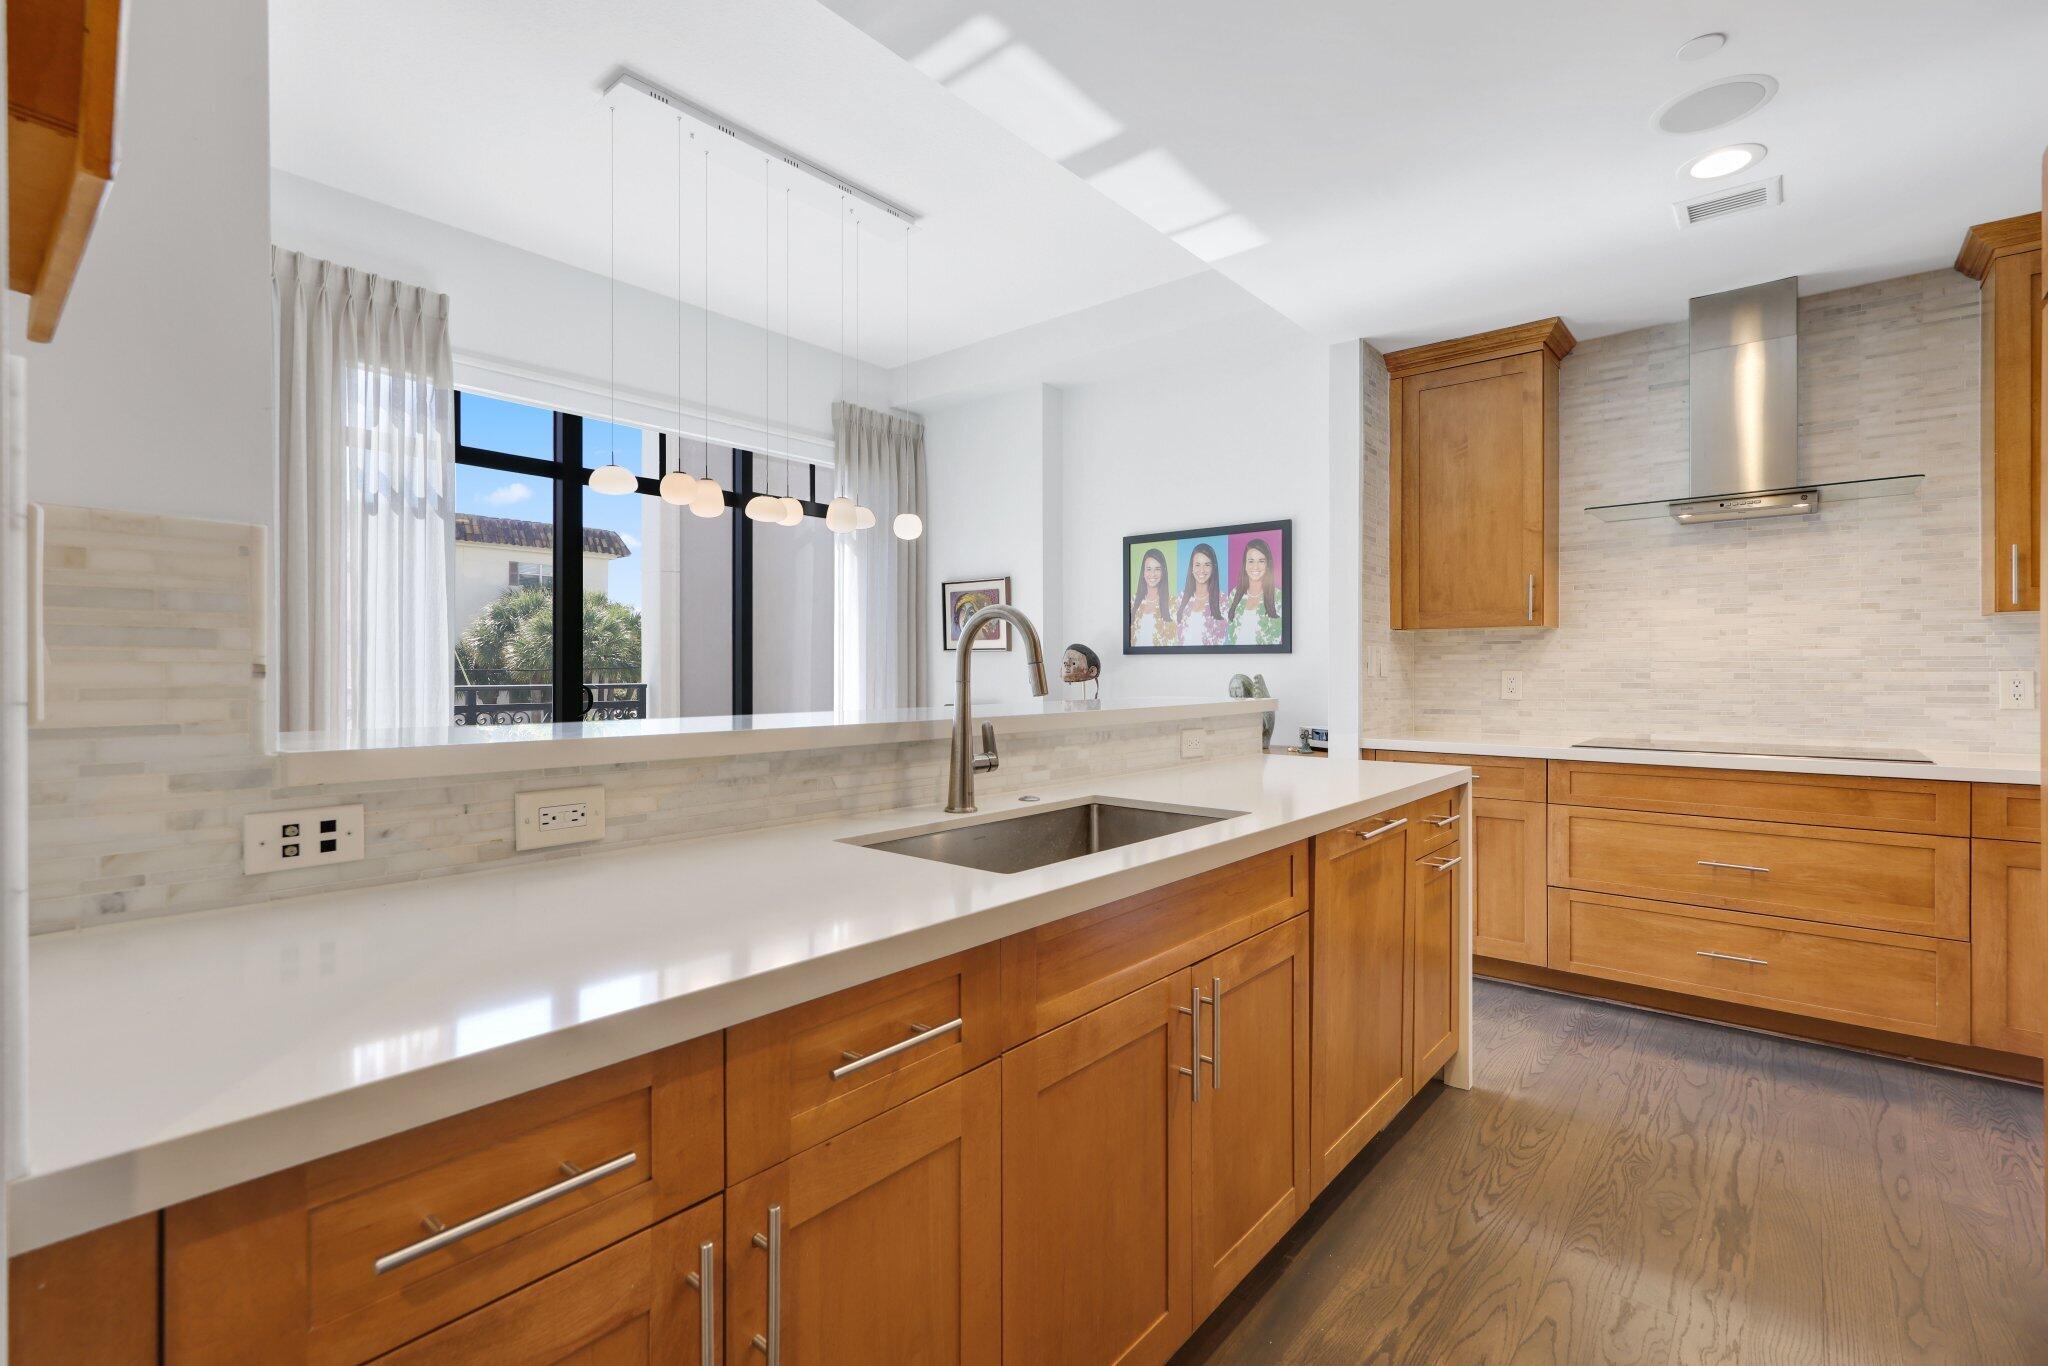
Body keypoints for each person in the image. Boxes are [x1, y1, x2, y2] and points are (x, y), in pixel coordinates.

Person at [1226, 538, 1284, 646]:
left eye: (1261, 561)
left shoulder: (1279, 597)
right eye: (1251, 561)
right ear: (1245, 565)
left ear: (1267, 565)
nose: (1255, 566)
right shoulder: (1234, 594)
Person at [1176, 543, 1227, 647]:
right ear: (1191, 568)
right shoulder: (1180, 599)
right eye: (1197, 565)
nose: (1202, 570)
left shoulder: (1223, 601)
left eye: (1207, 565)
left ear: (1213, 568)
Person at [1128, 548, 1176, 647]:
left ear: (1163, 572)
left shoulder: (1172, 604)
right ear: (1143, 572)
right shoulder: (1132, 602)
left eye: (1157, 569)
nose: (1153, 574)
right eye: (1149, 569)